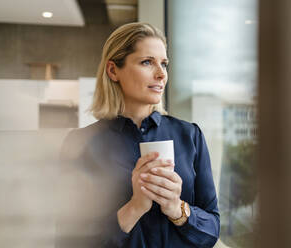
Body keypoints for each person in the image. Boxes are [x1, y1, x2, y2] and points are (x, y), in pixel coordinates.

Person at [56, 22, 220, 248]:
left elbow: (211, 231)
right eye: (147, 62)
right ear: (113, 71)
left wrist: (176, 208)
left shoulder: (190, 135)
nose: (161, 74)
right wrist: (134, 207)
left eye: (164, 64)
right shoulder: (81, 144)